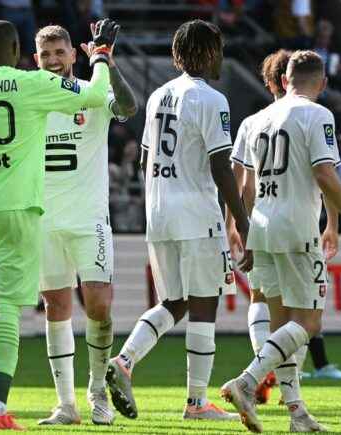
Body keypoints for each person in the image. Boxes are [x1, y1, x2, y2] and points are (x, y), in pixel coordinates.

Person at [0, 17, 116, 430]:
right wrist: (100, 55)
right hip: (18, 210)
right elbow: (98, 93)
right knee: (9, 308)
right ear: (18, 53)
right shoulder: (32, 84)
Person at [105, 19, 250, 422]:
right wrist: (242, 220)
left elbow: (145, 157)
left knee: (175, 301)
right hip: (196, 212)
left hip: (160, 212)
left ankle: (125, 360)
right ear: (206, 53)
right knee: (205, 302)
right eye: (217, 49)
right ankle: (196, 402)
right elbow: (221, 166)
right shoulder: (211, 100)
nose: (220, 57)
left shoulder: (158, 96)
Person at [220, 50, 341, 433]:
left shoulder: (257, 119)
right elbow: (324, 173)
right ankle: (247, 382)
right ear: (322, 83)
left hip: (263, 226)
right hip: (298, 227)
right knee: (309, 322)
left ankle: (297, 412)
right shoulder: (318, 115)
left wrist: (241, 229)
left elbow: (247, 186)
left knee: (281, 324)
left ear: (285, 79)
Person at [33, 24, 137, 427]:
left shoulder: (93, 91)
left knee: (99, 305)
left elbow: (128, 108)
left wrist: (108, 62)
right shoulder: (31, 96)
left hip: (89, 217)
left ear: (74, 54)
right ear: (36, 59)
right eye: (46, 55)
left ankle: (98, 394)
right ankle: (65, 405)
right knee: (55, 307)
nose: (54, 60)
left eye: (60, 52)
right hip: (43, 218)